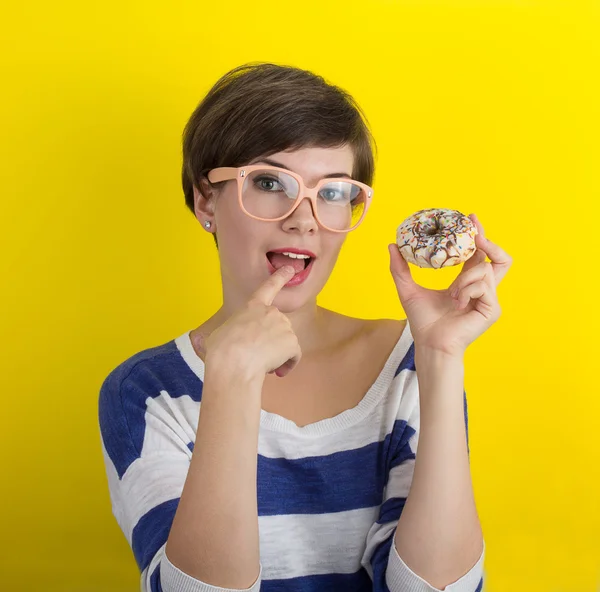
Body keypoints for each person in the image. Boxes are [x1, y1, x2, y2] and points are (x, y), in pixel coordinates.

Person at [98, 62, 512, 592]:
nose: (304, 218)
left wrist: (441, 358)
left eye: (335, 191)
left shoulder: (406, 362)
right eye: (270, 182)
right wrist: (232, 381)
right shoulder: (146, 392)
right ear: (206, 200)